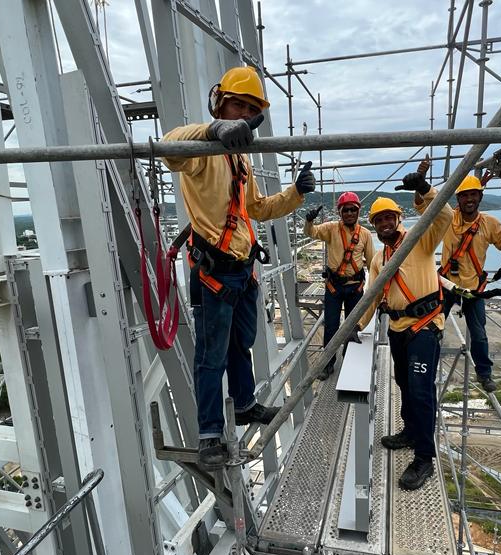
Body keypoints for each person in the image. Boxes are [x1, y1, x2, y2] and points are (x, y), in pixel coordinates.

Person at [161, 66, 315, 471]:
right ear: (218, 104)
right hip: (215, 269)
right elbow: (168, 147)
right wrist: (213, 133)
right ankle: (210, 433)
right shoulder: (203, 153)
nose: (243, 115)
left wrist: (296, 194)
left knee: (240, 342)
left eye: (251, 110)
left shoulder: (241, 162)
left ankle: (244, 403)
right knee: (212, 357)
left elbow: (258, 209)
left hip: (243, 269)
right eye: (237, 106)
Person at [358, 170, 452, 491]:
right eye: (379, 220)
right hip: (398, 328)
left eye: (389, 218)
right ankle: (411, 431)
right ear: (375, 226)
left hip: (425, 326)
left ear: (398, 219)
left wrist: (425, 189)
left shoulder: (420, 238)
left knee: (421, 389)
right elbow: (371, 298)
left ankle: (424, 456)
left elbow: (445, 215)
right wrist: (356, 327)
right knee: (404, 384)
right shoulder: (378, 260)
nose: (384, 224)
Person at [438, 175, 501, 393]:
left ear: (480, 197)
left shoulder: (490, 224)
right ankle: (428, 364)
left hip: (473, 288)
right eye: (464, 195)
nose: (469, 199)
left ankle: (484, 374)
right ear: (458, 199)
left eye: (473, 194)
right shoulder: (449, 218)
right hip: (447, 284)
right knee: (433, 327)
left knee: (479, 334)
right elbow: (427, 204)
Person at [304, 192, 376, 379]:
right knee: (331, 326)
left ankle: (348, 360)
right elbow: (311, 232)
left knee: (352, 326)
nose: (350, 213)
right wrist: (309, 222)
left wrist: (375, 289)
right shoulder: (331, 229)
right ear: (340, 212)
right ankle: (328, 365)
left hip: (355, 287)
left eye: (353, 210)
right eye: (346, 210)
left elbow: (372, 262)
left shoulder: (365, 235)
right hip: (334, 287)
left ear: (358, 211)